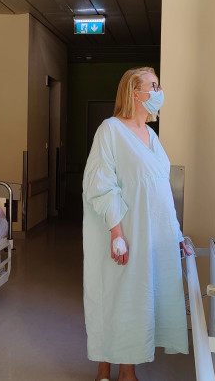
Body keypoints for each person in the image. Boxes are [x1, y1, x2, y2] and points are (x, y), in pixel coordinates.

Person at [82, 67, 191, 381]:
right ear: (134, 93)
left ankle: (127, 371)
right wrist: (117, 233)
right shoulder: (110, 130)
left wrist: (174, 234)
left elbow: (160, 189)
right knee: (114, 299)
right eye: (152, 86)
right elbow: (100, 184)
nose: (158, 92)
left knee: (136, 301)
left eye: (158, 86)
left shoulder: (151, 135)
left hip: (150, 236)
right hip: (123, 233)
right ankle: (104, 370)